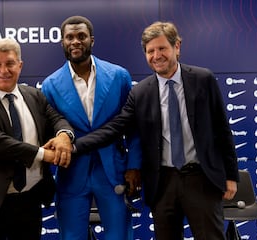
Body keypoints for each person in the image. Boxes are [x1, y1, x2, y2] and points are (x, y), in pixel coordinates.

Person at [72, 21, 239, 240]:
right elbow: (115, 128)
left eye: (162, 48)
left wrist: (231, 176)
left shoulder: (203, 79)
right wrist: (74, 145)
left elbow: (222, 130)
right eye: (150, 51)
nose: (156, 55)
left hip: (202, 179)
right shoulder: (140, 92)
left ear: (177, 47)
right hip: (163, 183)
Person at [0, 37, 74, 240]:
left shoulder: (34, 96)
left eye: (10, 63)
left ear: (20, 66)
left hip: (29, 201)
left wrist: (64, 135)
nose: (4, 70)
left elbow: (56, 119)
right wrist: (44, 155)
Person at [41, 16, 142, 240]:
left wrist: (134, 165)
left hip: (113, 170)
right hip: (71, 172)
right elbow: (50, 133)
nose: (75, 41)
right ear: (62, 42)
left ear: (92, 40)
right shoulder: (50, 85)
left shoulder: (118, 76)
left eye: (81, 36)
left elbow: (133, 126)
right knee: (71, 236)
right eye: (70, 37)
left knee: (120, 236)